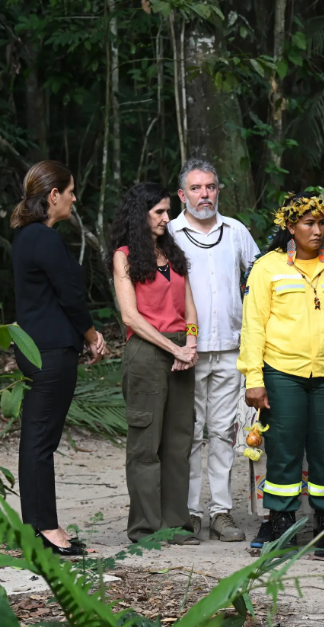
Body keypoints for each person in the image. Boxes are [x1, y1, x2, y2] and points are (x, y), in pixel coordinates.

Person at [238, 191, 324, 561]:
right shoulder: (268, 268)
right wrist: (254, 377)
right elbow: (254, 327)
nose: (317, 230)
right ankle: (282, 529)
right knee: (284, 453)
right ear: (290, 226)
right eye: (309, 223)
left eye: (322, 222)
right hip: (282, 374)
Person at [11, 160, 108, 557]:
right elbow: (70, 296)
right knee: (40, 440)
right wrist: (93, 336)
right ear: (53, 196)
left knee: (37, 438)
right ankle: (44, 528)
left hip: (36, 347)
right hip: (50, 350)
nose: (73, 198)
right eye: (69, 192)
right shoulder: (45, 239)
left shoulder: (25, 236)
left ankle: (40, 524)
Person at [168, 159, 259, 543]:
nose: (204, 195)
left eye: (210, 187)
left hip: (230, 349)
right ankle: (188, 512)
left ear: (218, 190)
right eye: (196, 188)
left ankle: (220, 511)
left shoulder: (236, 231)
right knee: (189, 434)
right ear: (181, 195)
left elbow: (257, 278)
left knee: (223, 432)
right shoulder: (169, 233)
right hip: (187, 352)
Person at [111, 182, 200, 545]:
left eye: (168, 211)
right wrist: (173, 349)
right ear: (140, 215)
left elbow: (190, 305)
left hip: (182, 349)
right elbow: (130, 317)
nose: (168, 218)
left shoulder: (173, 252)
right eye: (159, 212)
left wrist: (191, 342)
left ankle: (176, 525)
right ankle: (146, 528)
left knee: (178, 442)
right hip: (147, 353)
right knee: (146, 444)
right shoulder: (124, 255)